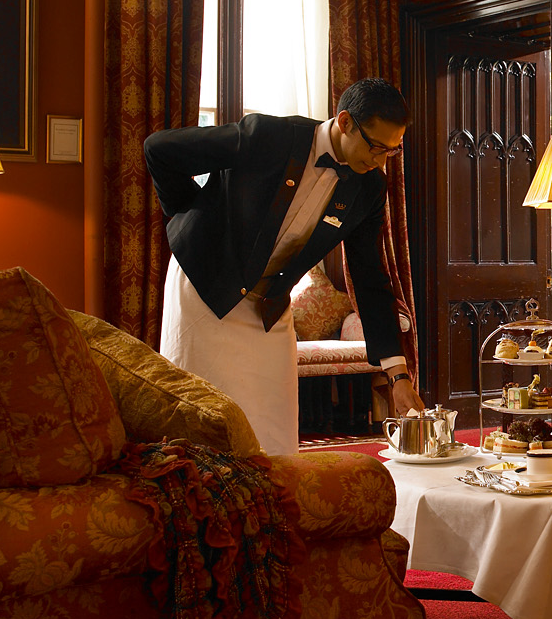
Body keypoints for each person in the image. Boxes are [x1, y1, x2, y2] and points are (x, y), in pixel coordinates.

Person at [145, 77, 424, 455]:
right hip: (206, 287)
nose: (379, 160)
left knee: (273, 436)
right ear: (344, 122)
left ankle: (267, 514)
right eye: (375, 146)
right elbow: (159, 149)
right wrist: (197, 220)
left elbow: (370, 276)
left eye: (391, 151)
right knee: (200, 425)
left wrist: (398, 375)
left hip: (269, 304)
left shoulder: (368, 187)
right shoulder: (270, 137)